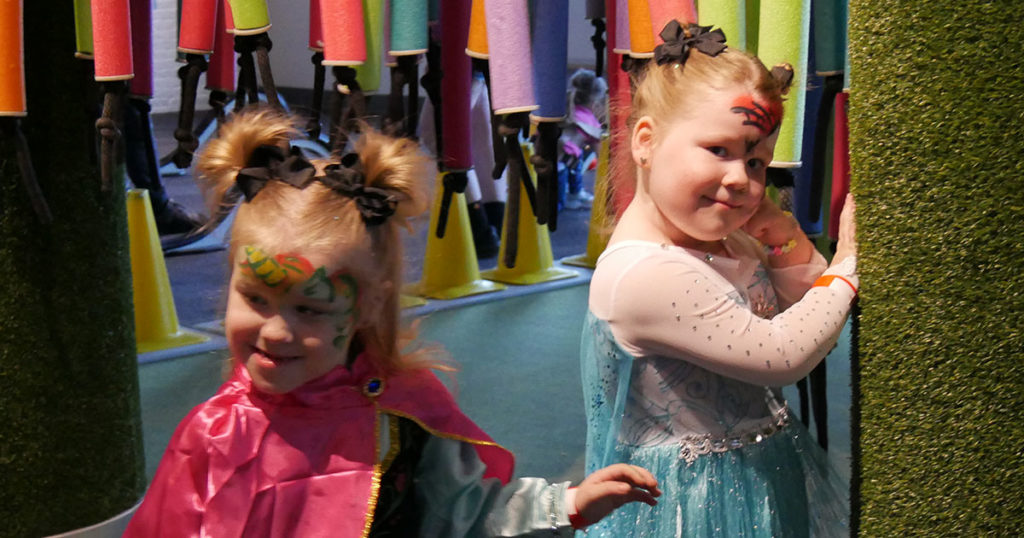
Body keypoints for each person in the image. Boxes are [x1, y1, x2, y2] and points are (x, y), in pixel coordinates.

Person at [124, 107, 660, 537]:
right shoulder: (214, 433)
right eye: (256, 298)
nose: (275, 330)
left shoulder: (402, 419)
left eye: (309, 309)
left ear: (368, 307)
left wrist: (566, 503)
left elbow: (466, 512)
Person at [579, 21, 857, 537]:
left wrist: (785, 236)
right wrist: (849, 267)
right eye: (718, 151)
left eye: (756, 161)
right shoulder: (644, 274)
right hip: (688, 504)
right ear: (646, 141)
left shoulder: (724, 241)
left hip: (759, 472)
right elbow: (784, 354)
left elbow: (809, 304)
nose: (741, 180)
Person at [559, 69, 607, 210]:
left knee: (577, 160)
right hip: (561, 162)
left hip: (552, 155)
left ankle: (574, 192)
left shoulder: (568, 109)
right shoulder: (589, 121)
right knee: (557, 204)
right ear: (594, 101)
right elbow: (600, 151)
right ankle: (572, 195)